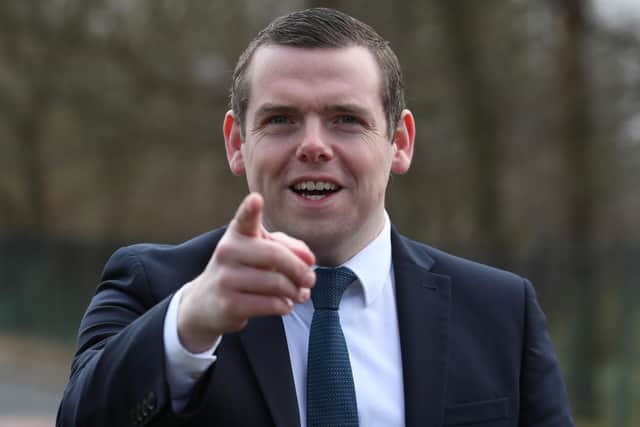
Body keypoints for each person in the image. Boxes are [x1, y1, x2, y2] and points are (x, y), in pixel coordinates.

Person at [57, 7, 574, 427]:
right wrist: (192, 322)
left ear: (400, 142)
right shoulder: (154, 289)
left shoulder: (502, 313)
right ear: (238, 144)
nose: (313, 146)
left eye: (346, 120)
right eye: (281, 120)